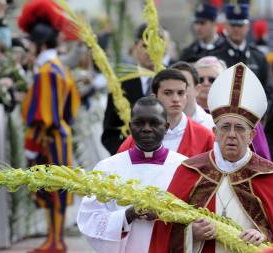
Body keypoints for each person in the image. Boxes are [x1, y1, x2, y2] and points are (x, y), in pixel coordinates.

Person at [149, 63, 273, 253]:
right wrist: (190, 233)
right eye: (225, 127)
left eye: (239, 128)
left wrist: (263, 235)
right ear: (214, 132)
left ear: (251, 136)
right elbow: (164, 230)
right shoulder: (191, 170)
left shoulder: (270, 176)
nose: (231, 134)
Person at [77, 97, 188, 253]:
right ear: (130, 126)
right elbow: (89, 220)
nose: (147, 128)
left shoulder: (184, 167)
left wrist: (163, 213)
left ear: (166, 126)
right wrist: (127, 215)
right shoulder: (106, 168)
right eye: (139, 123)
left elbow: (196, 216)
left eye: (154, 123)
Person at [18, 0, 80, 252]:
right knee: (55, 187)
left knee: (53, 188)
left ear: (41, 43)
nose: (28, 48)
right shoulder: (58, 67)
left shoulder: (47, 71)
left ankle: (55, 240)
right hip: (59, 134)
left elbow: (46, 115)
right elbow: (69, 108)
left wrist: (33, 142)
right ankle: (54, 239)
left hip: (49, 137)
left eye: (31, 43)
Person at [118, 69, 214, 157]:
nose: (176, 99)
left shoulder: (205, 137)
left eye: (180, 93)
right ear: (154, 97)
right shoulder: (135, 141)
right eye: (168, 93)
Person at [195, 56, 271, 160]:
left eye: (212, 79)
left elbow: (262, 160)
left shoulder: (247, 116)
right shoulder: (187, 116)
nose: (205, 83)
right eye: (200, 80)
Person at [101, 23, 155, 155]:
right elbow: (109, 132)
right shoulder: (121, 84)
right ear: (135, 46)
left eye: (155, 46)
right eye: (145, 46)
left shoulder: (172, 82)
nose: (150, 51)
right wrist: (123, 154)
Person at [213, 3, 273, 103]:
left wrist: (259, 116)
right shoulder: (215, 56)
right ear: (226, 26)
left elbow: (269, 92)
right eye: (233, 24)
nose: (236, 28)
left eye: (240, 25)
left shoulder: (258, 58)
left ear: (248, 26)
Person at [170, 61, 215, 130]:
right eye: (173, 85)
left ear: (197, 89)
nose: (178, 89)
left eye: (184, 85)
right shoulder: (157, 125)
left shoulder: (213, 125)